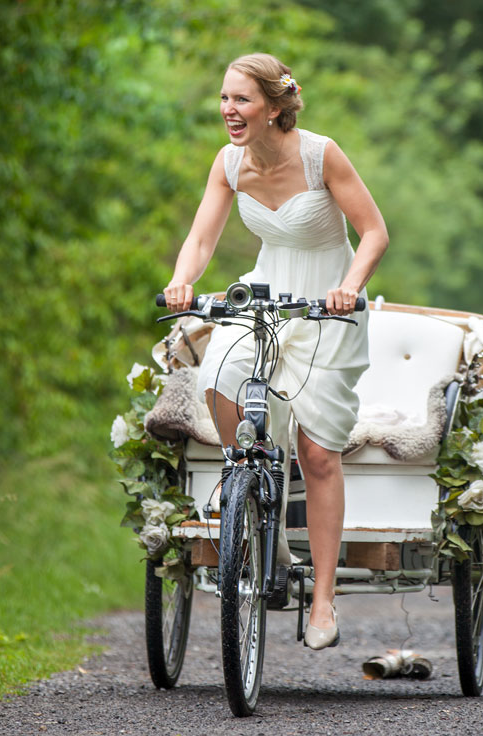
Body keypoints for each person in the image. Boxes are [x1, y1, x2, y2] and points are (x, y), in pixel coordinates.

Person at [161, 52, 390, 651]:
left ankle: (321, 601)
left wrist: (350, 287)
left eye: (241, 100)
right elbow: (203, 236)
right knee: (218, 378)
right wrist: (183, 280)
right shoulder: (229, 163)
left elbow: (374, 232)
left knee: (317, 453)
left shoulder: (321, 154)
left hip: (325, 309)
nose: (228, 111)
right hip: (266, 296)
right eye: (223, 99)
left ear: (273, 107)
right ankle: (259, 504)